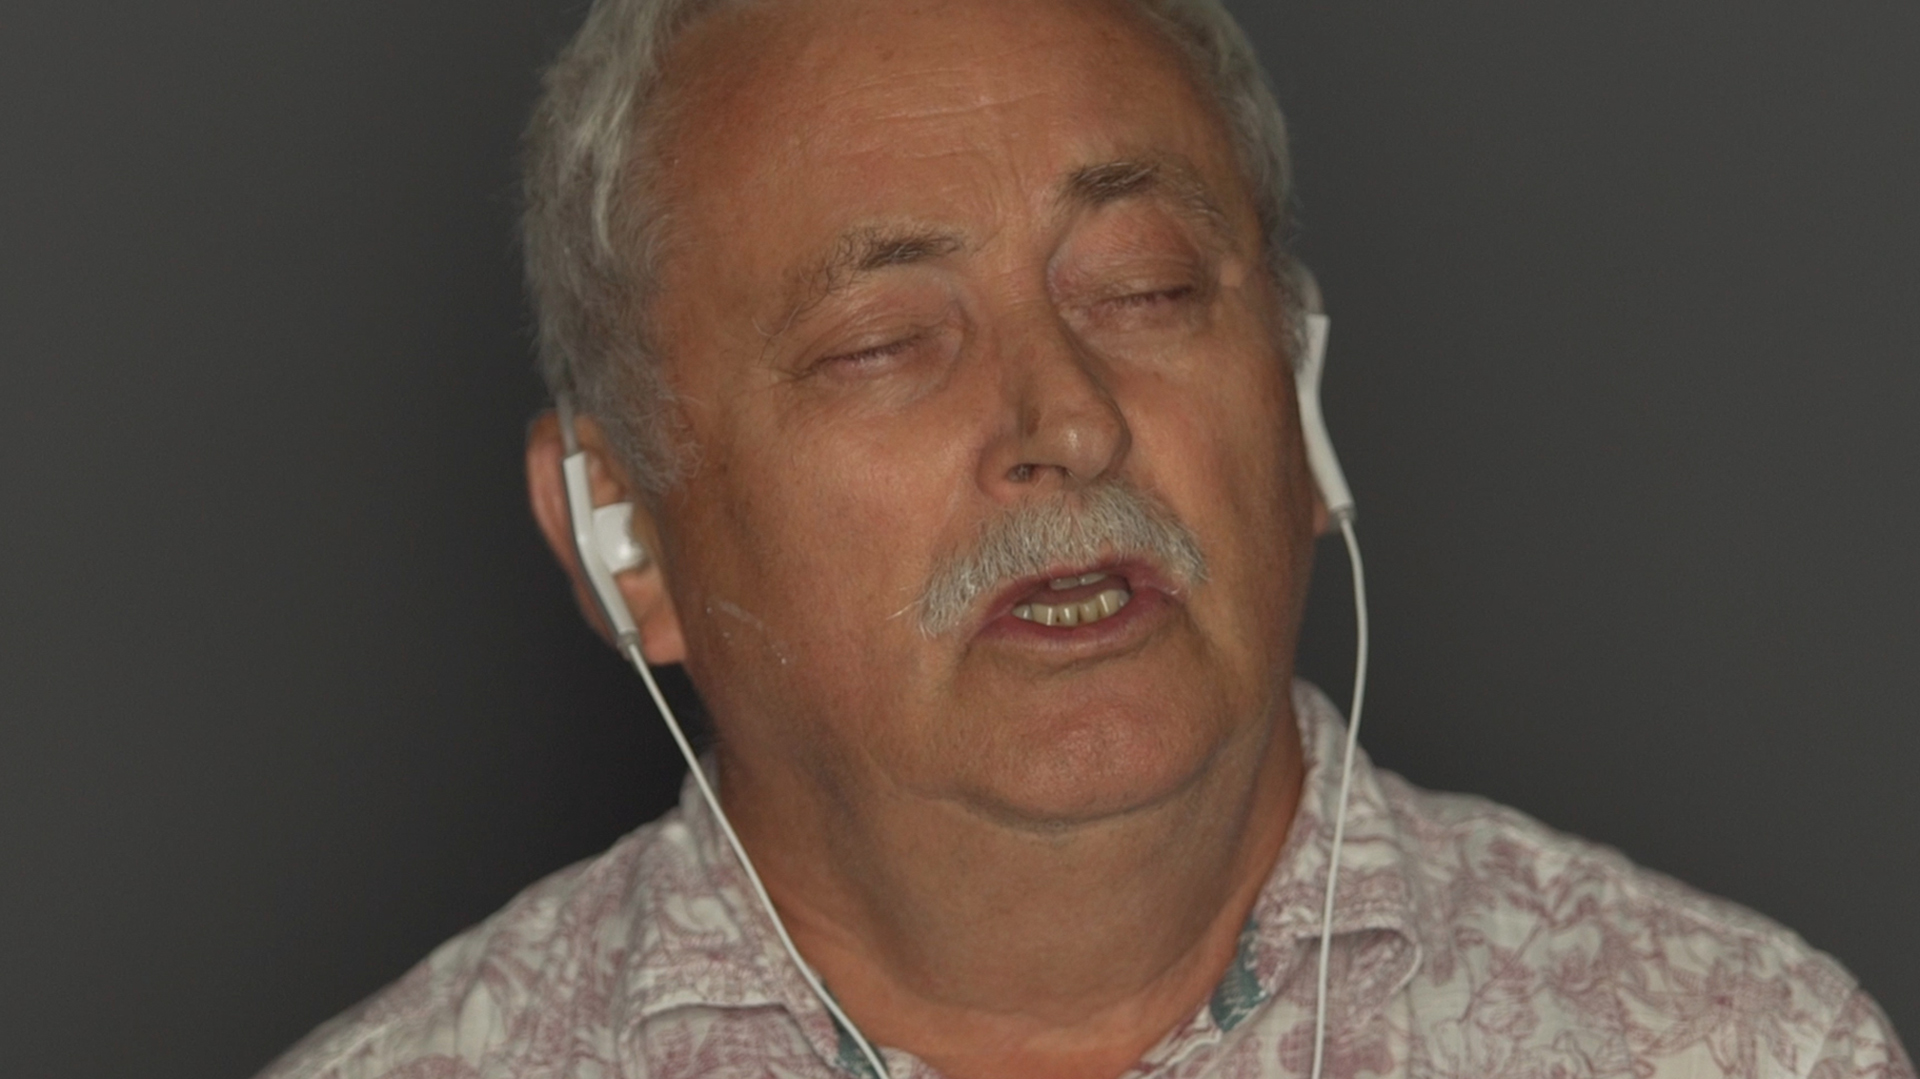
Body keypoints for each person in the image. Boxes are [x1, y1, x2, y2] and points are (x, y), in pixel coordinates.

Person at [257, 0, 1912, 1076]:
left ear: (1300, 404)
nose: (1067, 419)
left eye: (1146, 289)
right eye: (882, 344)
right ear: (620, 536)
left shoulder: (1734, 1048)